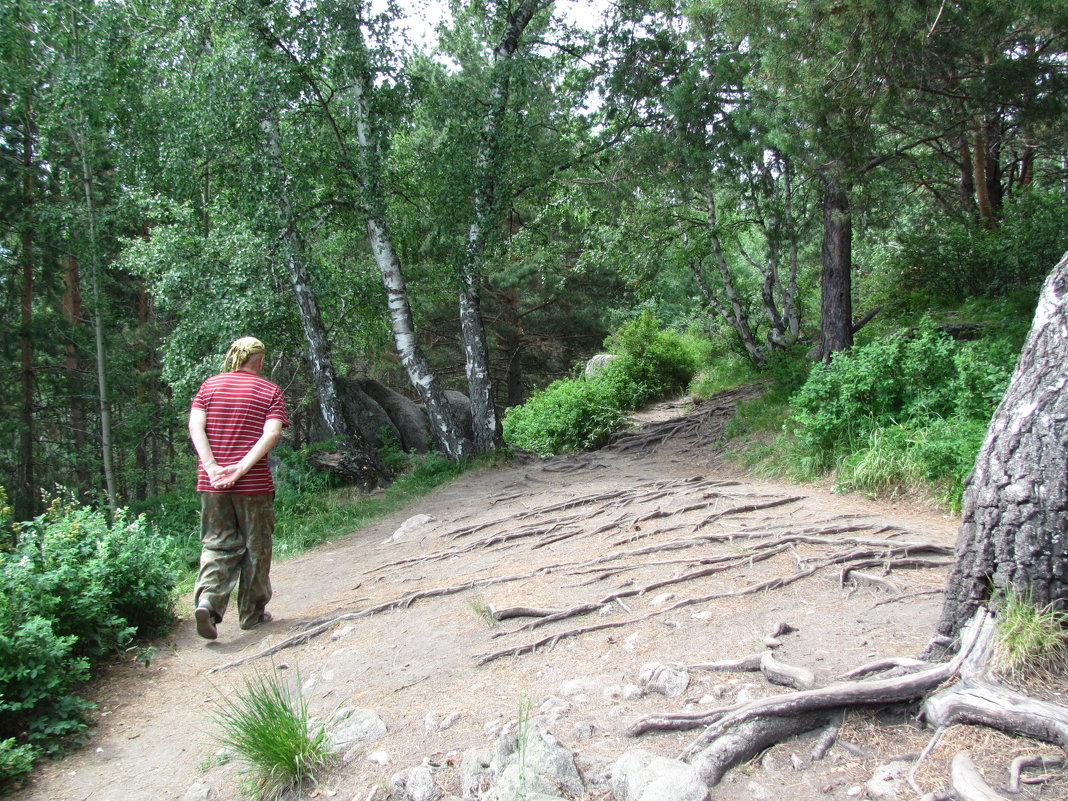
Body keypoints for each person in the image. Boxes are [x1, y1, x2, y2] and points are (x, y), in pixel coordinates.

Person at [188, 337, 290, 640]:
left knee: (217, 545)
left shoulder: (208, 386)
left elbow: (195, 427)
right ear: (258, 360)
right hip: (254, 485)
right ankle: (252, 614)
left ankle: (209, 601)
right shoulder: (269, 391)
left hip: (212, 486)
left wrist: (212, 467)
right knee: (256, 547)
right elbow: (271, 434)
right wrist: (242, 468)